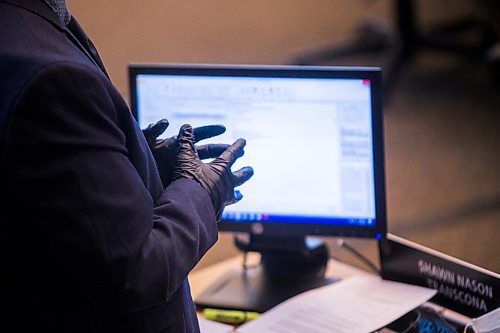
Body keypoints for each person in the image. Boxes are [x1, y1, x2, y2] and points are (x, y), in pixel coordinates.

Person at [0, 0, 253, 332]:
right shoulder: (49, 72)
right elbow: (135, 271)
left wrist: (133, 165)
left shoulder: (21, 28)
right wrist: (200, 191)